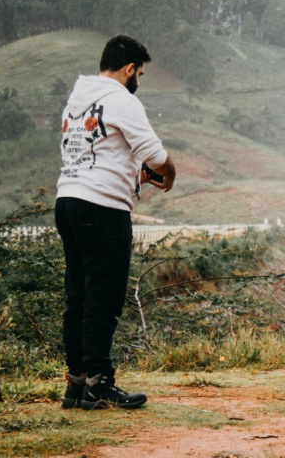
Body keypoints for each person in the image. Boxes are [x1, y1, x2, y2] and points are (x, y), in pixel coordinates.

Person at [55, 35, 176, 410]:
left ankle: (76, 383)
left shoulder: (77, 100)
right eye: (139, 73)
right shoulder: (122, 99)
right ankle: (98, 383)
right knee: (103, 298)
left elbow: (97, 158)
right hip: (103, 210)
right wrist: (169, 176)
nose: (138, 79)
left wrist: (137, 177)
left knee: (78, 295)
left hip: (68, 202)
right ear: (129, 69)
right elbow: (156, 156)